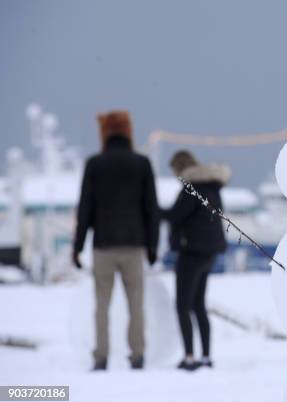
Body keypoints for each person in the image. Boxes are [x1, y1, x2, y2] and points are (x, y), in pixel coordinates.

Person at [72, 111, 159, 371]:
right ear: (128, 131)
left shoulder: (94, 164)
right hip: (134, 246)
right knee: (136, 304)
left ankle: (101, 357)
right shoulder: (142, 163)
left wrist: (77, 247)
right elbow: (151, 209)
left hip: (103, 247)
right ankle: (138, 355)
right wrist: (152, 246)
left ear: (105, 133)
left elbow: (85, 208)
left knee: (101, 305)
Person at [163, 150, 230, 371]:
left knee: (183, 305)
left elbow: (174, 216)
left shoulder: (192, 188)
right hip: (209, 253)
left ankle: (189, 357)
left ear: (180, 168)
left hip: (191, 252)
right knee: (198, 305)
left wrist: (150, 210)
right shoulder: (212, 186)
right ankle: (206, 357)